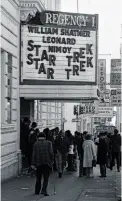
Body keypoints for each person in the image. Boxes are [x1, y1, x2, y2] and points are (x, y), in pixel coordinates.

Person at [32, 132, 53, 196]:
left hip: (38, 163)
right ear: (45, 137)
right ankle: (44, 190)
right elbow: (51, 153)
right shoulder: (49, 143)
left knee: (38, 178)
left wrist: (33, 163)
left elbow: (34, 154)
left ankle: (37, 191)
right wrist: (52, 160)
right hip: (47, 163)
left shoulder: (36, 143)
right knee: (46, 178)